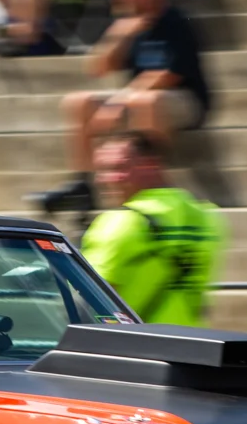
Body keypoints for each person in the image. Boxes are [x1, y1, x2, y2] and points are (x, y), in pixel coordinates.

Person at [37, 0, 212, 215]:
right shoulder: (128, 24)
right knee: (79, 102)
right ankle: (83, 186)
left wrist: (119, 102)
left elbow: (170, 74)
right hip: (135, 97)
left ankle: (154, 185)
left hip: (185, 99)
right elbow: (97, 68)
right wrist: (119, 34)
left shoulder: (175, 21)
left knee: (147, 102)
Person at [79, 132, 226, 326]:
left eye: (116, 168)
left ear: (150, 165)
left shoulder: (121, 221)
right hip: (195, 340)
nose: (102, 180)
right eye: (101, 170)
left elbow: (89, 297)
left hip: (135, 341)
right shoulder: (207, 216)